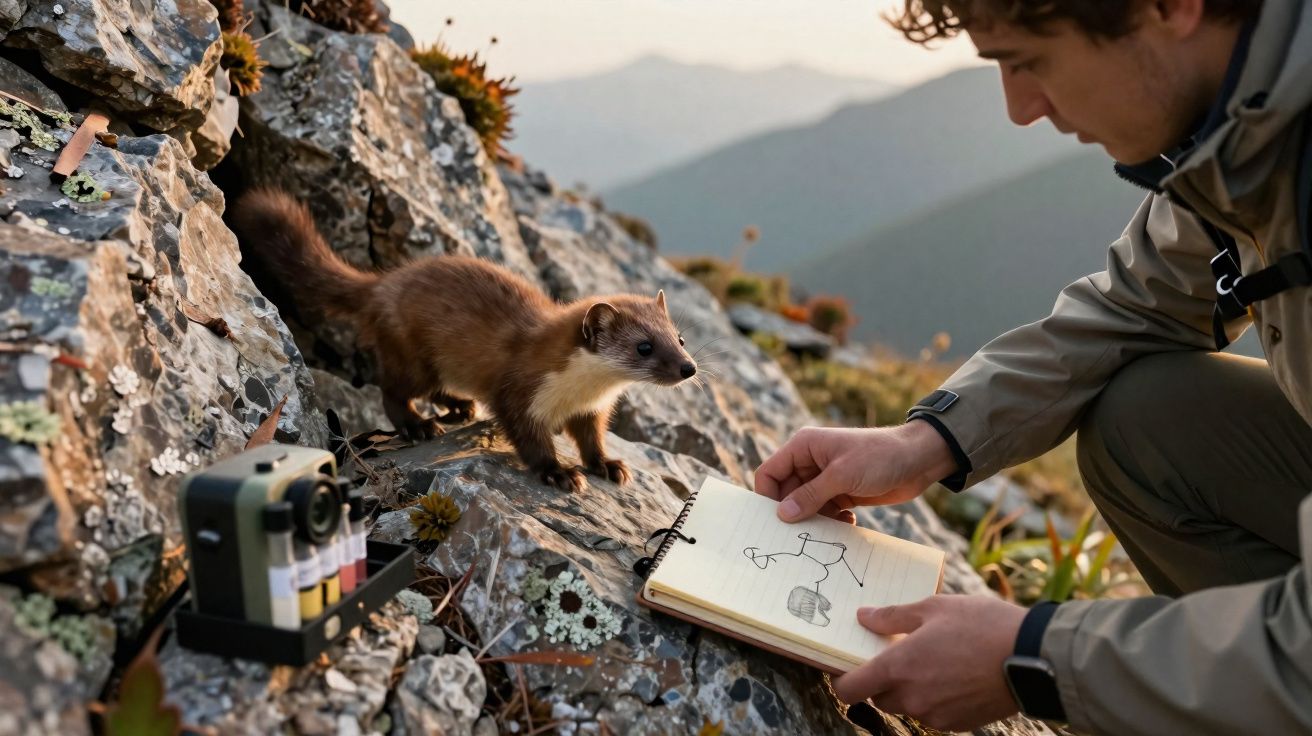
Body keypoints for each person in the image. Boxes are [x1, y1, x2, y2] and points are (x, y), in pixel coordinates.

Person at [754, 0, 1312, 733]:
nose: (1021, 109)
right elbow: (1138, 305)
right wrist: (923, 444)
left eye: (1028, 60)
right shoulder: (1244, 125)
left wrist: (1036, 660)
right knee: (1149, 421)